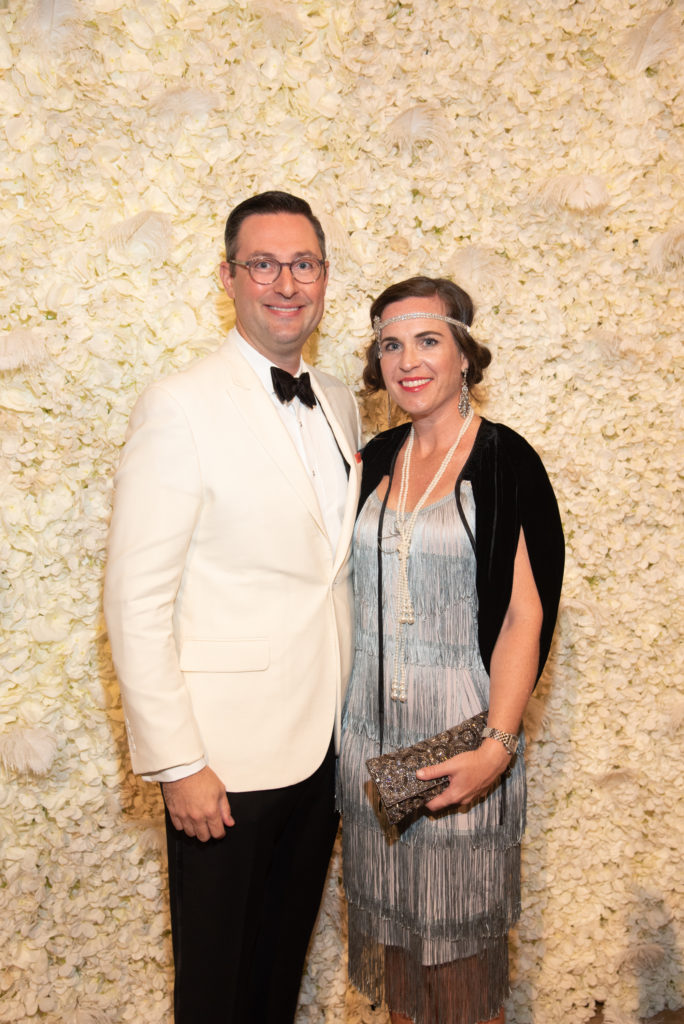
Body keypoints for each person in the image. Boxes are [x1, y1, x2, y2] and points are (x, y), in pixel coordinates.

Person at [103, 191, 362, 1024]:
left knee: (277, 973)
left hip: (323, 745)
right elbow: (135, 599)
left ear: (323, 277)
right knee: (215, 989)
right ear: (229, 277)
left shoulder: (339, 398)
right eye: (264, 263)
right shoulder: (179, 403)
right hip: (223, 763)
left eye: (304, 264)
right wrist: (178, 763)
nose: (286, 283)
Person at [339, 276, 564, 1024]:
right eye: (391, 344)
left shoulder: (505, 462)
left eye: (428, 340)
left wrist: (496, 747)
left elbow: (522, 620)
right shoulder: (371, 460)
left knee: (462, 979)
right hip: (370, 753)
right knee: (401, 962)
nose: (408, 359)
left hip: (463, 745)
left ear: (464, 355)